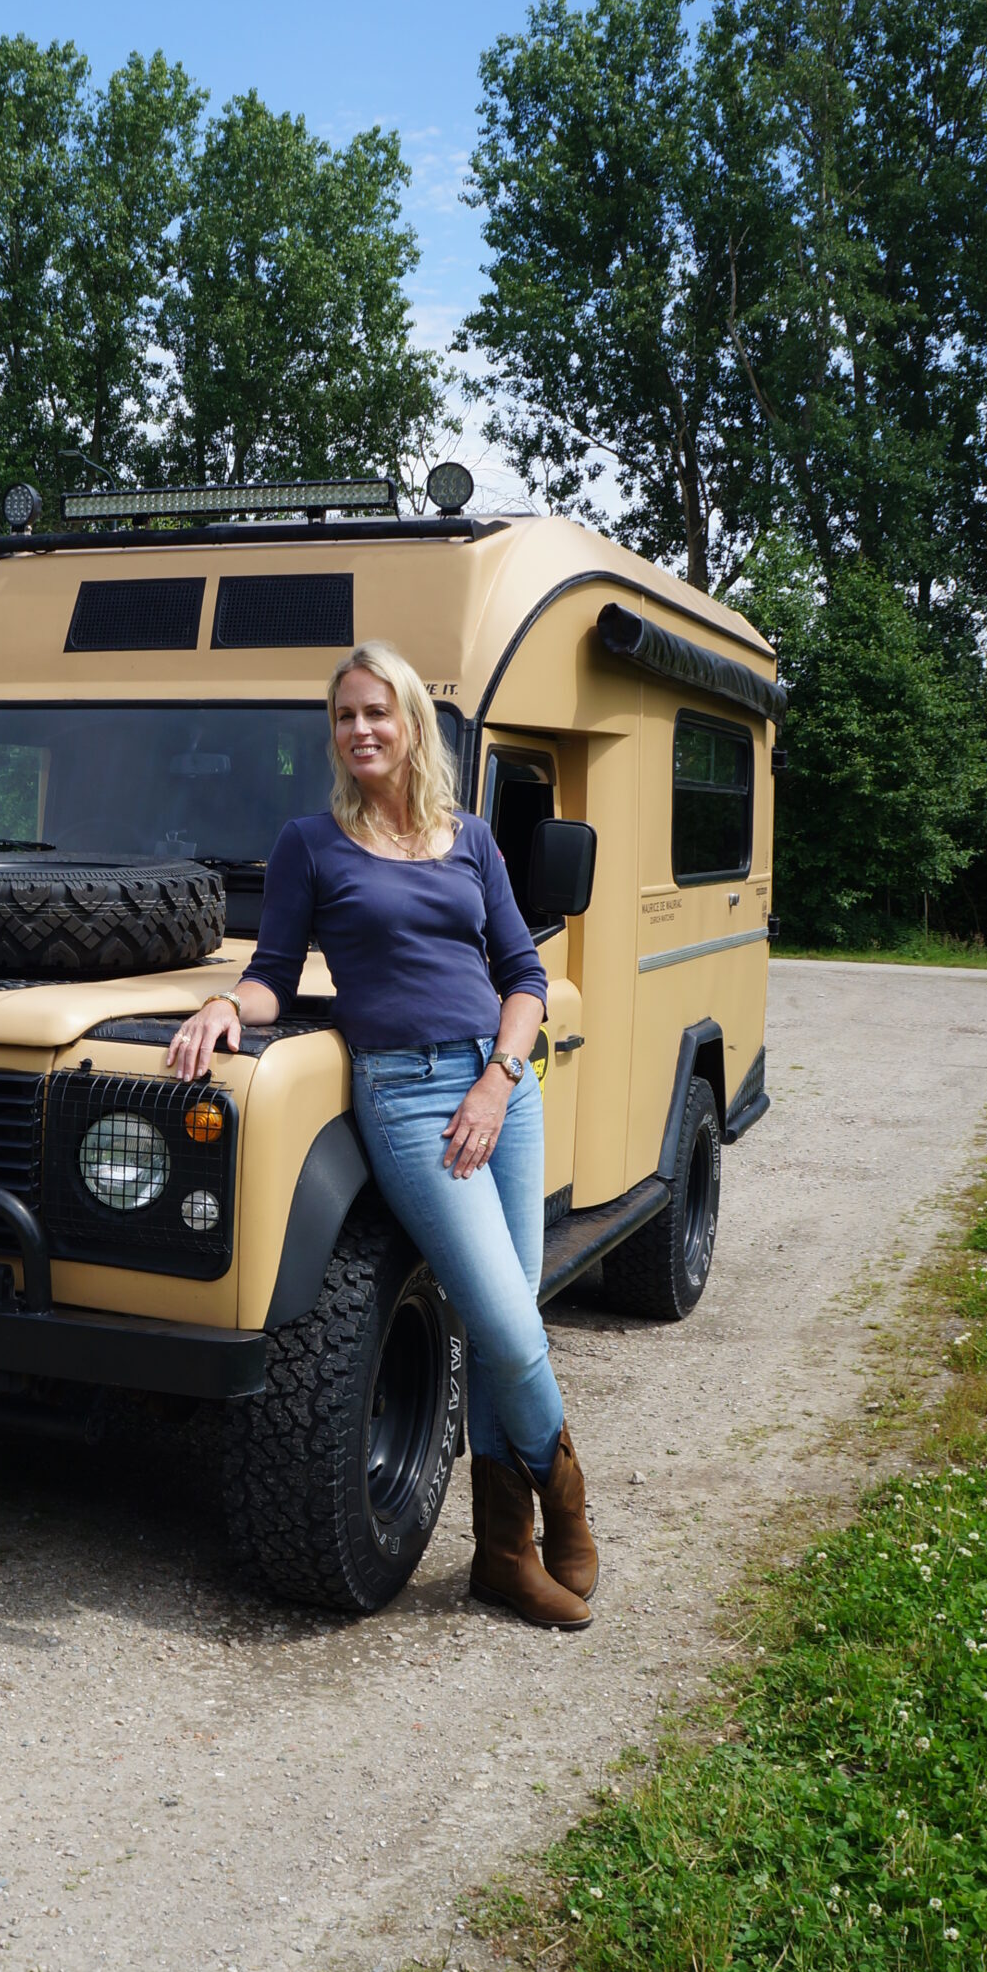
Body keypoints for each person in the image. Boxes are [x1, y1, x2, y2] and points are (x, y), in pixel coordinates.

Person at [166, 639, 599, 1629]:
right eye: (345, 716)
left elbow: (523, 975)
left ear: (410, 727)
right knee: (504, 1325)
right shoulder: (311, 843)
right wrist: (232, 1005)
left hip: (500, 1084)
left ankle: (502, 1553)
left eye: (377, 713)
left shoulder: (471, 838)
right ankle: (570, 1501)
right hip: (405, 1096)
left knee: (507, 1325)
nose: (360, 729)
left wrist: (499, 1077)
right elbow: (276, 966)